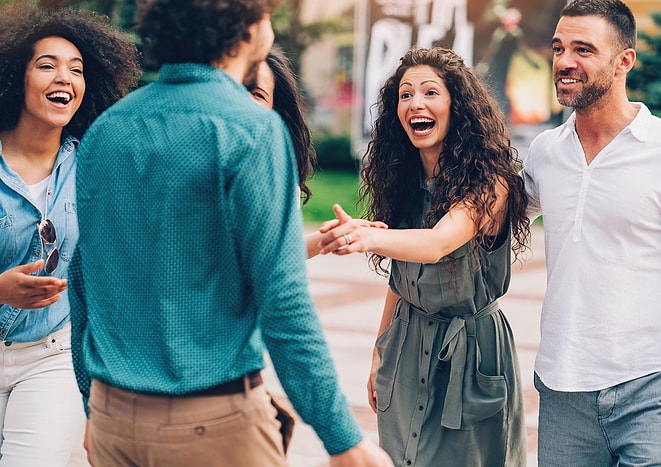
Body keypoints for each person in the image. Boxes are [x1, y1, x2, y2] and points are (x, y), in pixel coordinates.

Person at [67, 0, 392, 465]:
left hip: (113, 419)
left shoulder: (106, 131)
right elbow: (284, 303)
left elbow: (83, 284)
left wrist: (90, 404)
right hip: (210, 424)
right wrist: (343, 439)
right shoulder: (249, 129)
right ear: (246, 29)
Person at [317, 47, 531, 466]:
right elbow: (402, 278)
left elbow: (435, 244)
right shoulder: (404, 178)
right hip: (405, 345)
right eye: (405, 94)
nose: (416, 103)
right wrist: (382, 348)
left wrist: (365, 236)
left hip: (472, 353)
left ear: (458, 105)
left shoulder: (491, 183)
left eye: (430, 92)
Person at [520, 0, 661, 464]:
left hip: (653, 386)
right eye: (559, 48)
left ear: (624, 61)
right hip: (563, 390)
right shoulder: (544, 152)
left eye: (583, 49)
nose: (564, 61)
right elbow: (487, 220)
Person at [0, 3, 139, 465]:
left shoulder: (96, 166)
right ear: (14, 77)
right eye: (47, 66)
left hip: (52, 355)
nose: (65, 78)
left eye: (76, 70)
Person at [249, 48, 386, 258]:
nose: (241, 102)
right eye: (235, 90)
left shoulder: (279, 180)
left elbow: (273, 254)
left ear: (275, 113)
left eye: (257, 94)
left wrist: (331, 237)